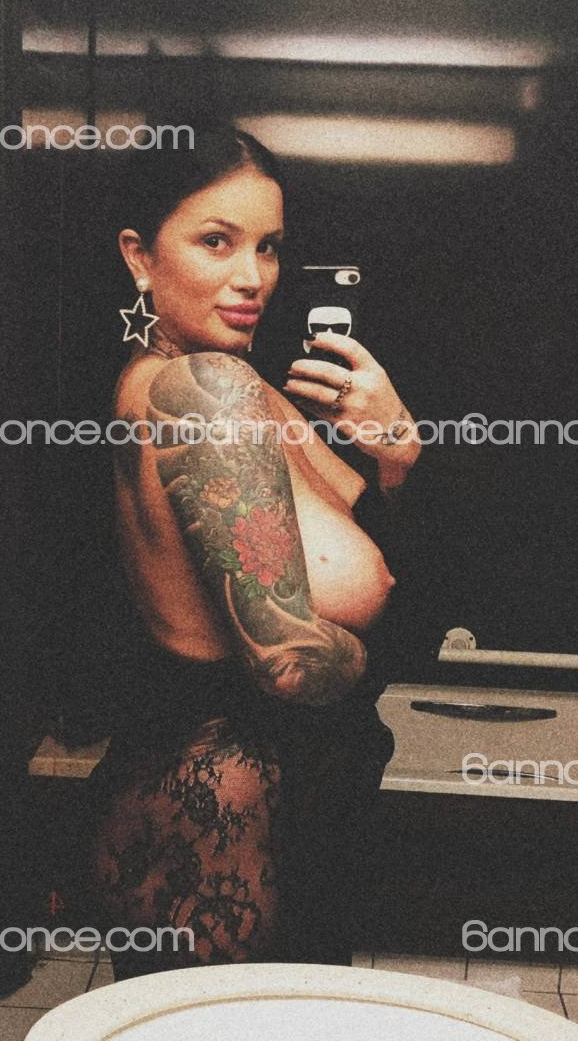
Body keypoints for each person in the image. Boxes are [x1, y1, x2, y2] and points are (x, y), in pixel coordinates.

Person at [83, 126, 421, 979]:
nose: (253, 277)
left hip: (271, 809)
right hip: (219, 827)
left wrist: (395, 452)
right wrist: (376, 648)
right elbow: (290, 666)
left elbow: (368, 561)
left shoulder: (237, 377)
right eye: (216, 241)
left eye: (268, 246)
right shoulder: (203, 391)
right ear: (139, 256)